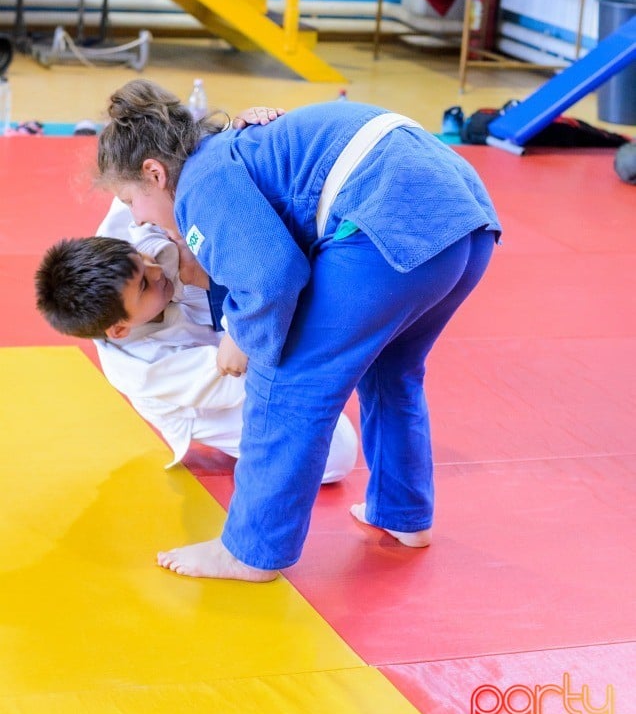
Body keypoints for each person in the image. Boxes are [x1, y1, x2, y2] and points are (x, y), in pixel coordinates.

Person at [92, 79, 502, 583]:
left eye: (131, 201)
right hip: (463, 217)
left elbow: (273, 276)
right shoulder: (230, 150)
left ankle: (250, 550)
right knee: (393, 370)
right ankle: (403, 514)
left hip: (392, 220)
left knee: (284, 383)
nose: (136, 218)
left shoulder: (198, 185)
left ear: (154, 173)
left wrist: (240, 332)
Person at [34, 196, 358, 482]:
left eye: (142, 260)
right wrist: (245, 332)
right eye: (144, 285)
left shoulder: (119, 236)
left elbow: (145, 167)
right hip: (205, 400)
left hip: (211, 315)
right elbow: (237, 379)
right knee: (336, 455)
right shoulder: (145, 370)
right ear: (119, 329)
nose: (155, 271)